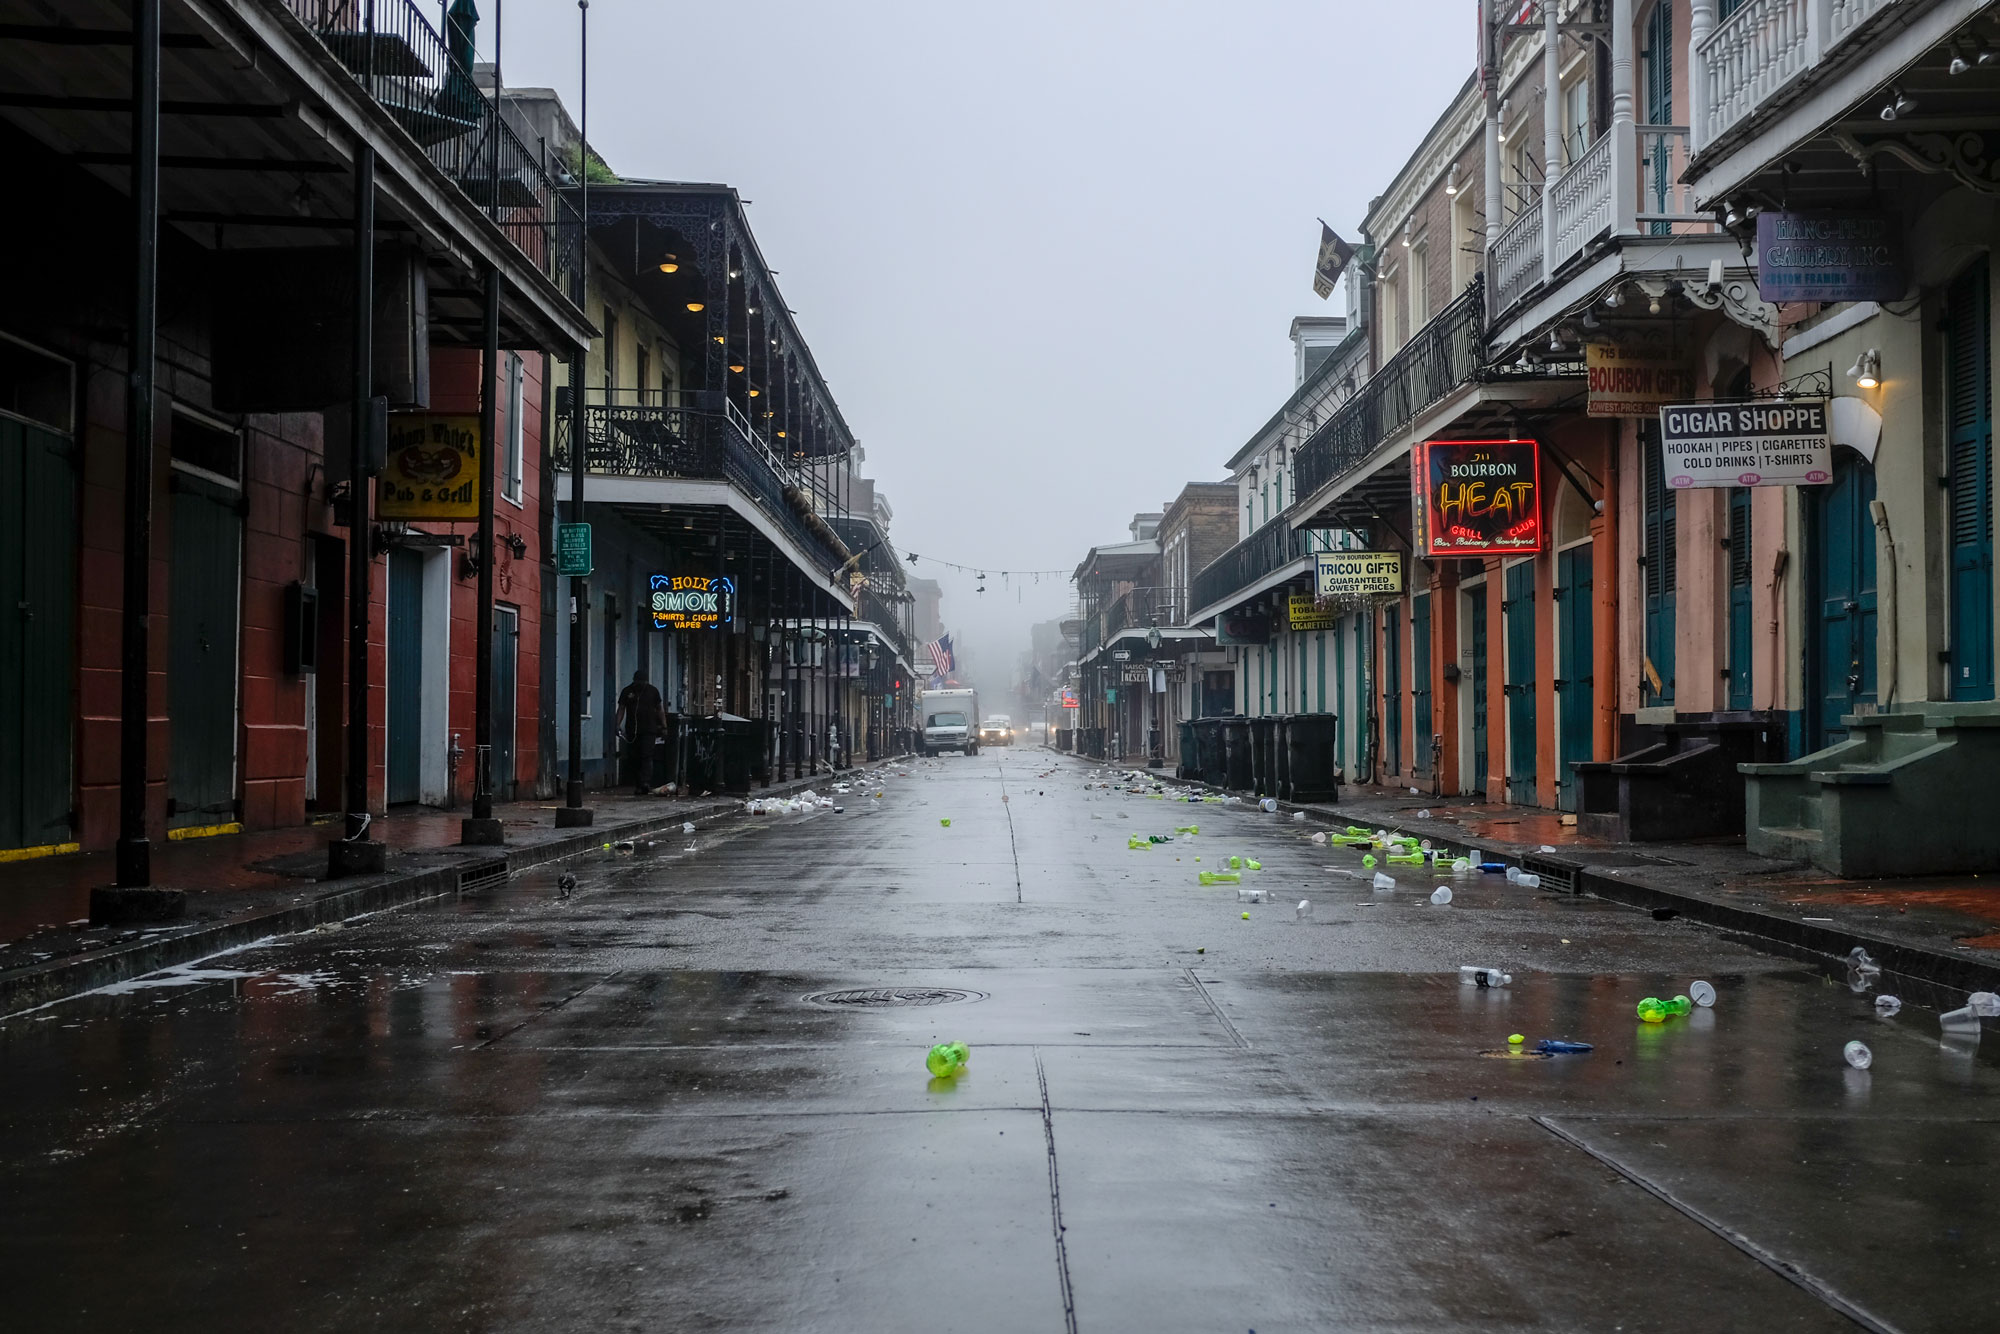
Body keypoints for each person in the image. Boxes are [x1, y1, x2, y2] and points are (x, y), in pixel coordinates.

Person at [612, 669, 665, 795]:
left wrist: (664, 726)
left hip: (649, 729)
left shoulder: (653, 691)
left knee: (646, 756)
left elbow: (660, 709)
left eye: (643, 682)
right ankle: (638, 783)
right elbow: (621, 708)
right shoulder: (627, 691)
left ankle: (645, 783)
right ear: (634, 681)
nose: (641, 684)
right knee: (634, 758)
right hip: (633, 730)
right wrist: (617, 724)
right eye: (638, 682)